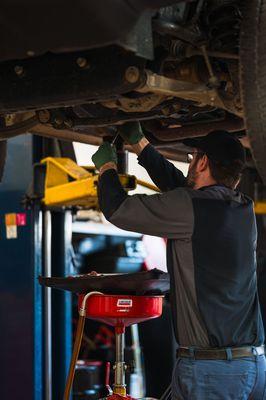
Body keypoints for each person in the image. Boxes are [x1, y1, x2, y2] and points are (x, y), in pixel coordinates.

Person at [91, 122, 266, 400]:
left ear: (203, 161)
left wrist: (107, 168)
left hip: (211, 370)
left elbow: (118, 209)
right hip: (253, 365)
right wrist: (140, 144)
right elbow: (182, 189)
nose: (189, 164)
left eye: (192, 158)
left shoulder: (191, 207)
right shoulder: (242, 208)